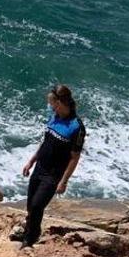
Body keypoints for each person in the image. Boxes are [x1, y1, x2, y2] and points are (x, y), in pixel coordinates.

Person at [16, 85, 86, 248]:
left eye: (51, 103)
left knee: (37, 205)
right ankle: (29, 231)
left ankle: (30, 239)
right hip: (40, 167)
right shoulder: (54, 116)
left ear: (59, 103)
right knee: (30, 205)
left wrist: (64, 181)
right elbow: (45, 142)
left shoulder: (76, 127)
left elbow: (74, 157)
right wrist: (31, 161)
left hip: (54, 174)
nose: (49, 106)